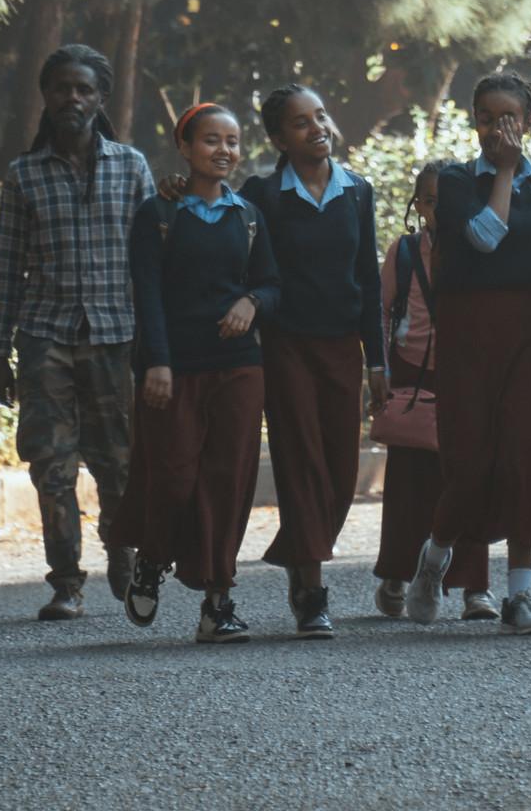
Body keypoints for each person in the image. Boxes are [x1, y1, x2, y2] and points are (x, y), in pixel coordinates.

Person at [0, 43, 154, 621]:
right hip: (44, 336)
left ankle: (123, 550)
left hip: (115, 336)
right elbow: (7, 268)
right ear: (47, 96)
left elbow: (151, 263)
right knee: (52, 467)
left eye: (83, 89)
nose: (72, 98)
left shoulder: (131, 167)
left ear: (100, 98)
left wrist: (158, 347)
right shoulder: (24, 175)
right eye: (62, 88)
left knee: (119, 462)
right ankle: (65, 583)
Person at [406, 72, 531, 635]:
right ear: (472, 121)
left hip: (529, 330)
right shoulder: (452, 182)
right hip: (468, 331)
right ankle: (434, 559)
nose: (498, 128)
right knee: (468, 465)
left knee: (526, 459)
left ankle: (520, 595)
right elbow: (484, 237)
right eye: (486, 118)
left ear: (529, 123)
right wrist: (503, 170)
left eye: (509, 118)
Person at [117, 103, 279, 641]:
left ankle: (218, 604)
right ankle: (153, 558)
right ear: (185, 147)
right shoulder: (157, 215)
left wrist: (252, 302)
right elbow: (148, 294)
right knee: (174, 475)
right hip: (175, 368)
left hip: (239, 368)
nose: (224, 150)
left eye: (232, 140)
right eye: (211, 140)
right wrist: (157, 360)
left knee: (228, 483)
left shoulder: (249, 216)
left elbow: (273, 283)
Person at [242, 83, 386, 637]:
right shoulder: (262, 195)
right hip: (286, 347)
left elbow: (369, 281)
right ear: (279, 138)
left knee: (341, 472)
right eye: (301, 123)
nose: (317, 127)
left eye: (321, 115)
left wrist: (378, 360)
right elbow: (250, 265)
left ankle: (299, 552)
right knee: (301, 462)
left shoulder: (357, 192)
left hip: (342, 347)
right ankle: (310, 589)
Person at [372, 161, 495, 621]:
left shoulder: (480, 249)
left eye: (449, 200)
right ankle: (396, 575)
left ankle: (474, 588)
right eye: (428, 200)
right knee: (409, 483)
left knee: (470, 481)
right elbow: (382, 313)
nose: (438, 210)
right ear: (416, 205)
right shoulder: (403, 252)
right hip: (411, 373)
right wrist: (378, 368)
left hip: (469, 375)